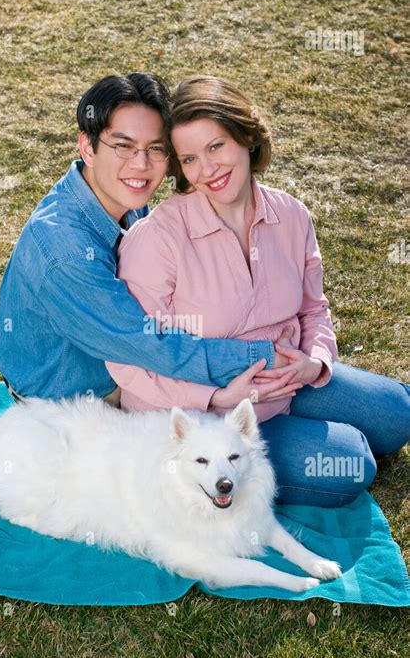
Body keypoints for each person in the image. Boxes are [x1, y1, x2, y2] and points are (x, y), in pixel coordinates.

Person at [106, 75, 410, 506]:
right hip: (206, 418)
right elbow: (128, 358)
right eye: (190, 159)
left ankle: (310, 424)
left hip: (288, 381)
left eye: (216, 147)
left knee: (398, 412)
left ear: (246, 138)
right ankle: (231, 467)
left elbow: (313, 309)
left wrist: (316, 362)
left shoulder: (291, 215)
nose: (207, 170)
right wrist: (216, 397)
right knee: (352, 463)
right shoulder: (156, 239)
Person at [0, 73, 296, 405]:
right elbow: (149, 345)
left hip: (138, 368)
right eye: (123, 146)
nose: (141, 164)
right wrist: (263, 354)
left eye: (156, 149)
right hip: (76, 405)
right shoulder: (68, 250)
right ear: (87, 148)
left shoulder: (122, 200)